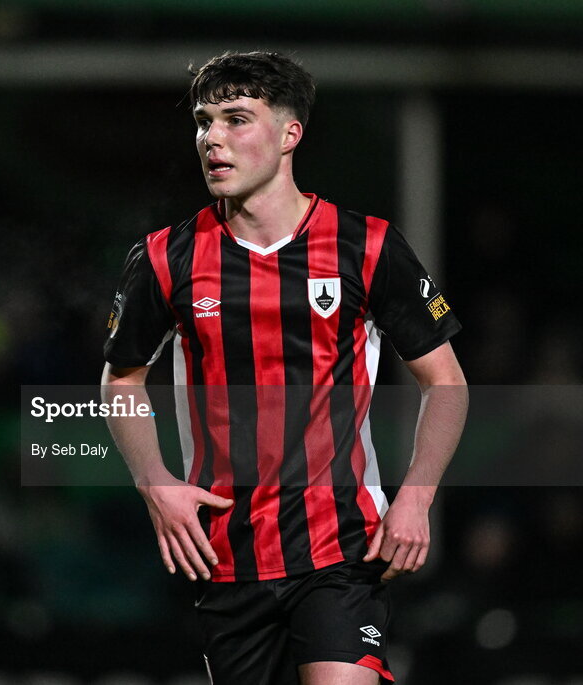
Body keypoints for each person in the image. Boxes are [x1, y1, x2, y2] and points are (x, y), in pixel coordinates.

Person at [101, 51, 467, 684]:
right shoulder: (167, 258)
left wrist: (416, 497)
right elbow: (121, 380)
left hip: (340, 548)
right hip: (225, 556)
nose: (212, 138)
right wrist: (155, 483)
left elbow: (447, 383)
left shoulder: (367, 245)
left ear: (290, 134)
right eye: (203, 121)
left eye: (236, 119)